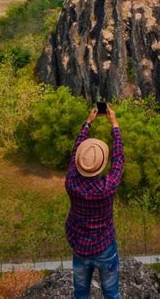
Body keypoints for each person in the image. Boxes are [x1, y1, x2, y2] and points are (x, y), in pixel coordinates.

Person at [65, 105, 124, 299]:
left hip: (80, 246)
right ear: (100, 166)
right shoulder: (107, 188)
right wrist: (114, 125)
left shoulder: (71, 183)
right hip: (104, 245)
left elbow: (75, 155)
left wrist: (87, 124)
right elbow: (118, 160)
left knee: (80, 294)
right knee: (112, 294)